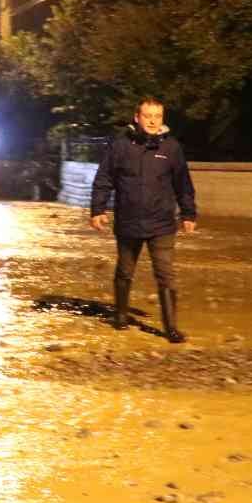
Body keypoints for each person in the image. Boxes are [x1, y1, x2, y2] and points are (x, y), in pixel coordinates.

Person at [90, 97, 198, 341]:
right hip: (128, 222)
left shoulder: (171, 148)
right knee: (125, 271)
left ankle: (170, 328)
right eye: (148, 115)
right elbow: (104, 178)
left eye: (157, 116)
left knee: (166, 274)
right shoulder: (120, 146)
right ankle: (120, 315)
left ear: (162, 119)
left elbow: (183, 183)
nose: (152, 120)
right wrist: (98, 210)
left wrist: (188, 213)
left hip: (162, 224)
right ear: (137, 117)